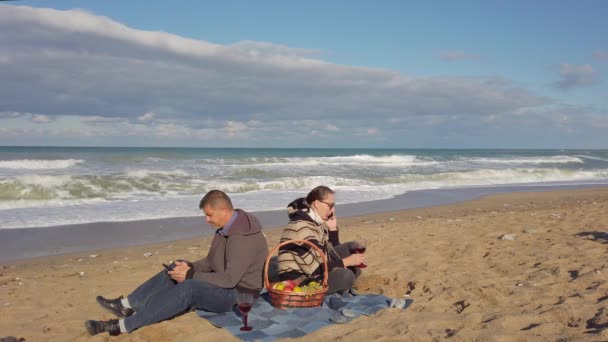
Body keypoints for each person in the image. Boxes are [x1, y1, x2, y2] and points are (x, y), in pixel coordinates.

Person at [85, 190, 269, 336]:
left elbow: (229, 279)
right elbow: (211, 262)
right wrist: (189, 267)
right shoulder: (225, 229)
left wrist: (190, 275)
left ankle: (122, 326)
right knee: (177, 267)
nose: (207, 220)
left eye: (209, 215)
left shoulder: (243, 237)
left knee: (189, 286)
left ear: (223, 210)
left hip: (240, 296)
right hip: (227, 284)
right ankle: (126, 305)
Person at [277, 185, 364, 294]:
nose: (333, 210)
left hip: (315, 269)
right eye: (330, 205)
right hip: (299, 281)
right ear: (317, 204)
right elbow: (314, 270)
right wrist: (346, 262)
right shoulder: (301, 227)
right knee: (346, 276)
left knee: (351, 247)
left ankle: (346, 278)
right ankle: (345, 279)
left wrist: (332, 229)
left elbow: (328, 254)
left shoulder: (313, 222)